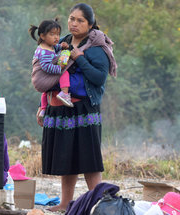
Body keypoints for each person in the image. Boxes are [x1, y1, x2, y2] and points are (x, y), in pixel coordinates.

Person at [36, 3, 117, 212]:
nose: (74, 23)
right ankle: (65, 203)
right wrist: (43, 105)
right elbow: (52, 74)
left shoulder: (97, 47)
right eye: (72, 19)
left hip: (83, 109)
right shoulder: (62, 42)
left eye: (80, 20)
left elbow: (99, 78)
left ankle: (101, 205)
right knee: (65, 157)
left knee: (89, 158)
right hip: (60, 107)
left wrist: (78, 57)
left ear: (90, 24)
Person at [29, 19, 73, 120]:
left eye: (58, 34)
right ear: (42, 36)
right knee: (65, 72)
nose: (56, 37)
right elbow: (46, 66)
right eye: (52, 34)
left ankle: (43, 109)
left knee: (47, 90)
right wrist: (59, 68)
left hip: (42, 82)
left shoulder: (48, 46)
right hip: (41, 77)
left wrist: (61, 47)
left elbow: (55, 49)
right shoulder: (44, 51)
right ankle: (64, 93)